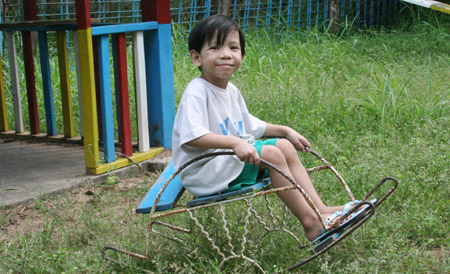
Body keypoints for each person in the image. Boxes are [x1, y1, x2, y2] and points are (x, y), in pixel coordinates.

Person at [172, 15, 363, 243]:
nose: (225, 54)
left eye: (233, 47)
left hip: (225, 161)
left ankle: (321, 209)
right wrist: (235, 143)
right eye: (214, 48)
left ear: (242, 55)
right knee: (271, 153)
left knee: (282, 146)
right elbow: (193, 136)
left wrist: (285, 130)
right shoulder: (197, 91)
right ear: (196, 58)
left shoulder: (231, 90)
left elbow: (251, 125)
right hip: (204, 171)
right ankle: (312, 224)